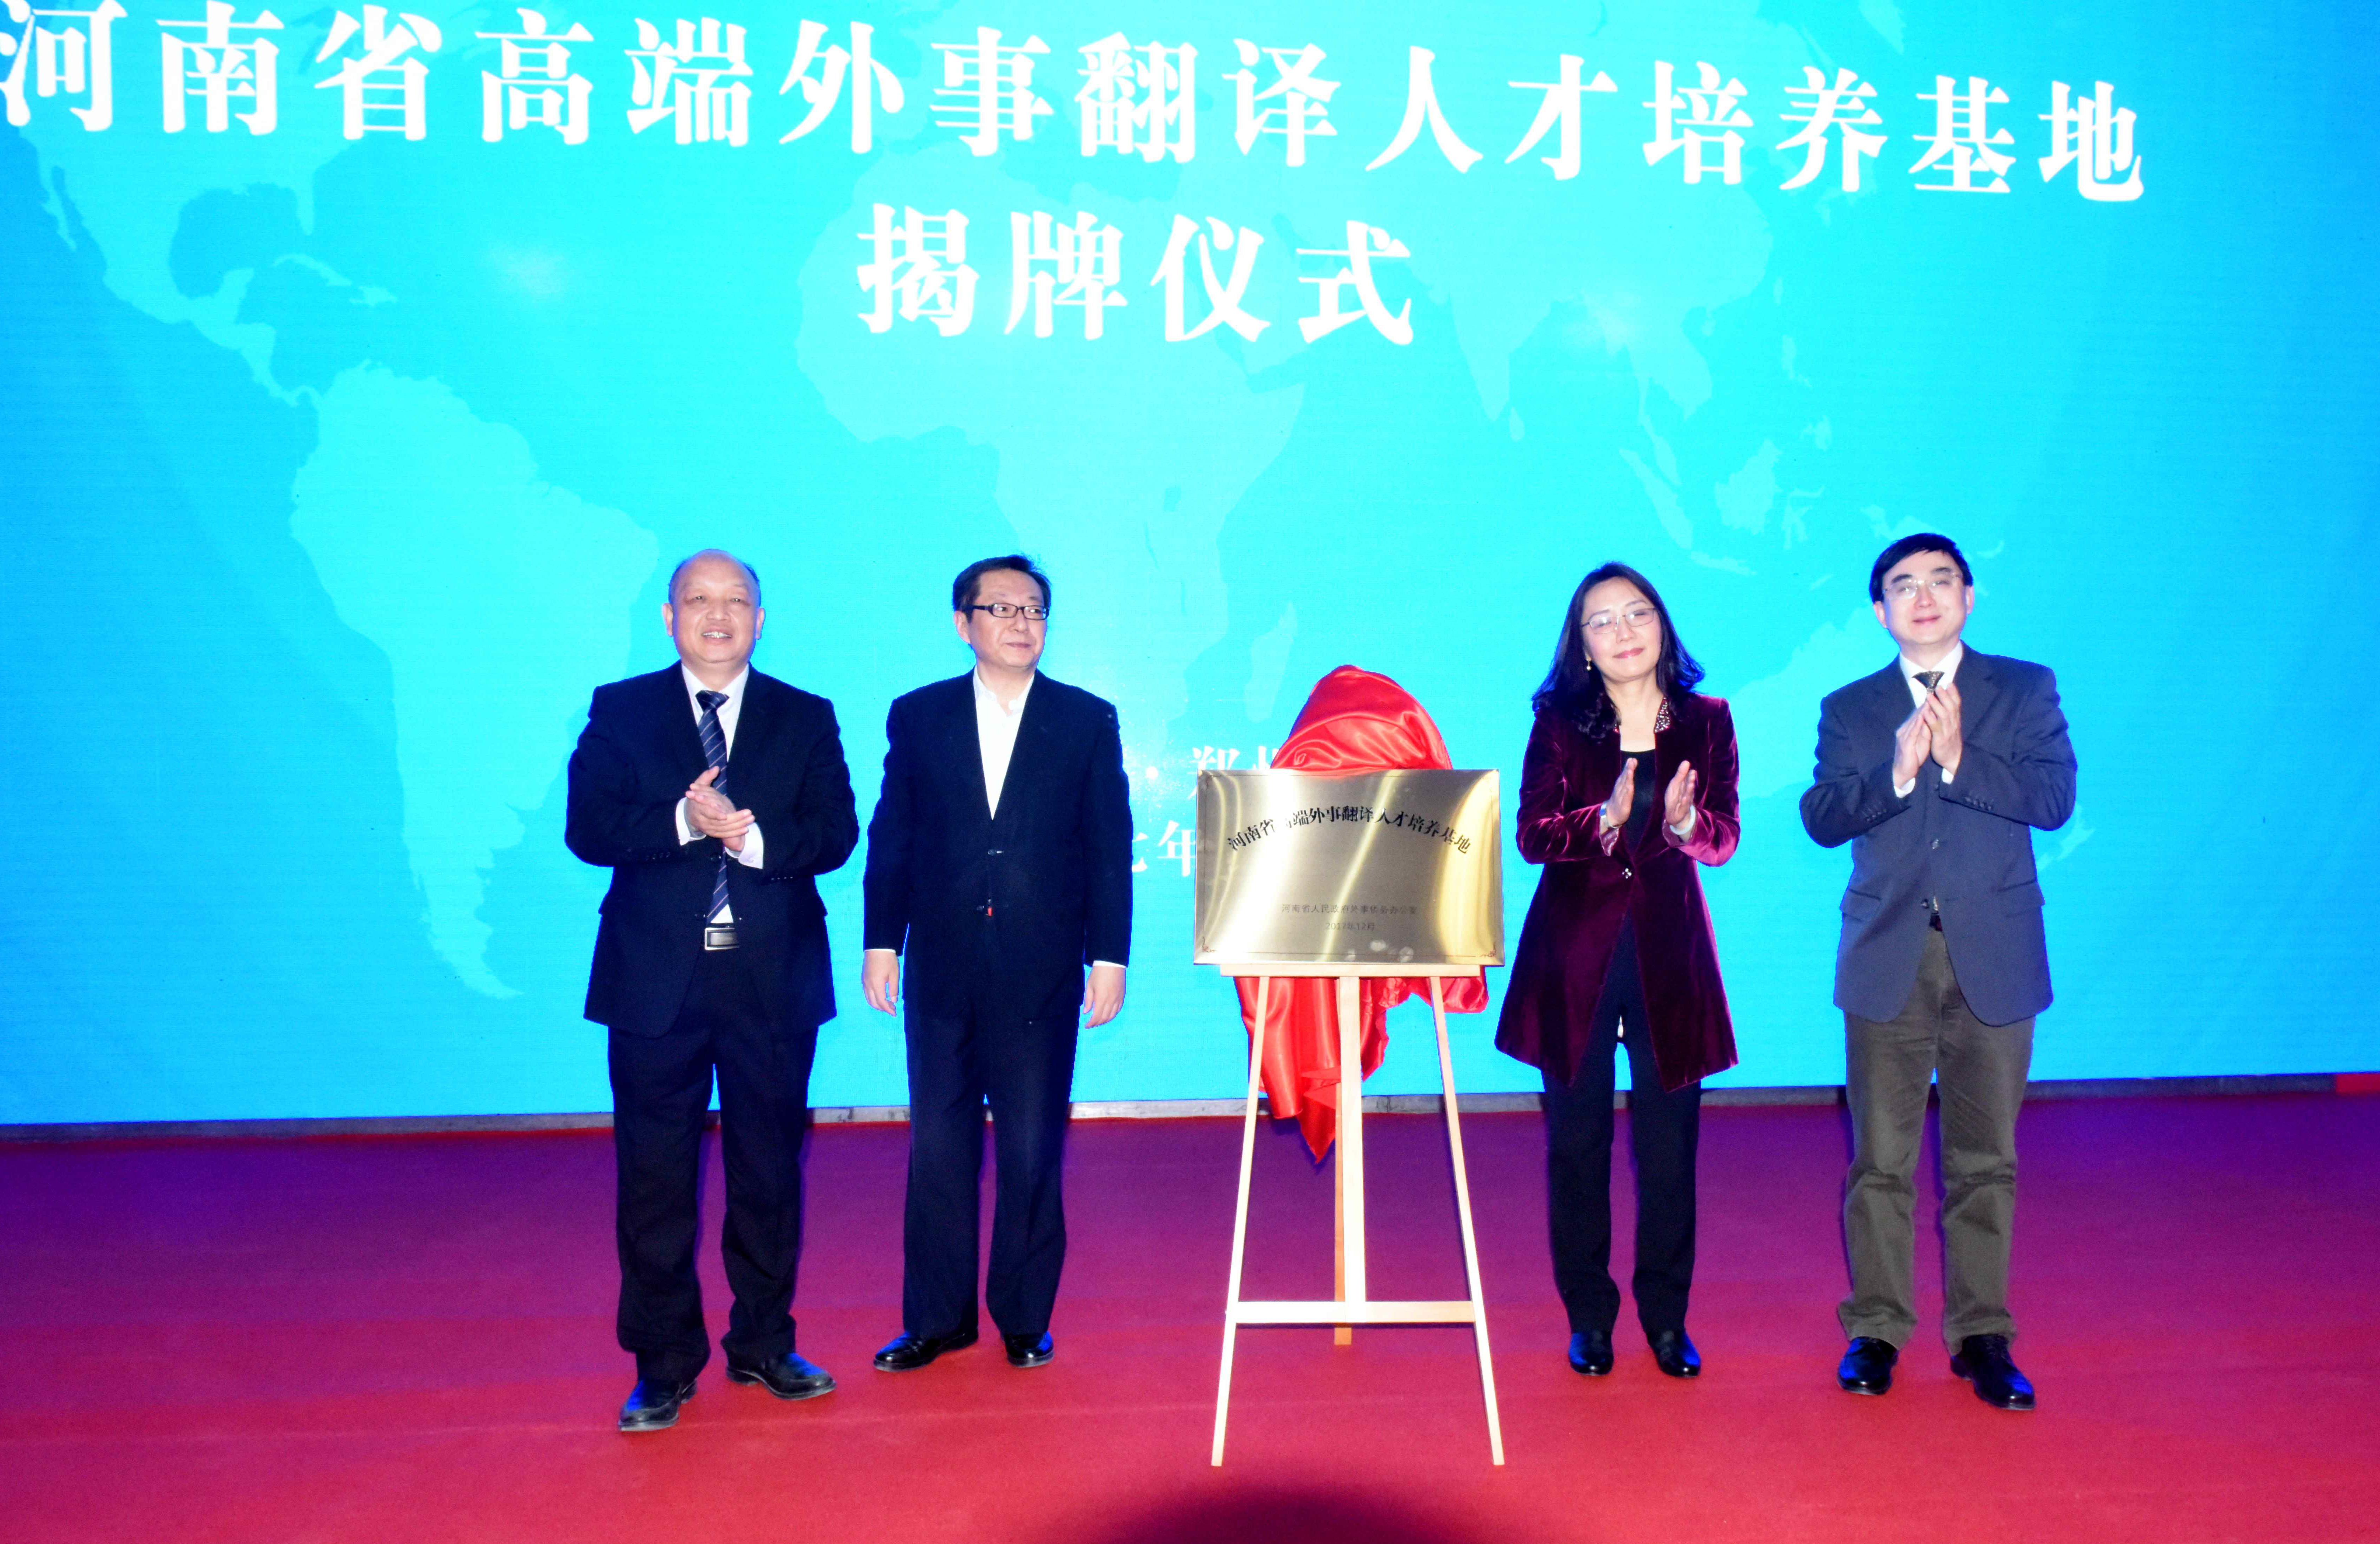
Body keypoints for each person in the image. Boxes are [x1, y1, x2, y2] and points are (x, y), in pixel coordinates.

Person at [564, 549, 858, 1433]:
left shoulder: (806, 715)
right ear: (669, 617)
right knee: (654, 1181)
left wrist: (751, 840)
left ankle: (765, 1342)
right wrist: (684, 821)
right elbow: (588, 828)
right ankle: (661, 1364)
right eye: (699, 599)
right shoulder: (621, 709)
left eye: (737, 601)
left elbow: (836, 833)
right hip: (655, 979)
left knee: (768, 1174)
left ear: (760, 619)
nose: (718, 615)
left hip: (771, 978)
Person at [1801, 533, 2075, 1411]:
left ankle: (1982, 1333)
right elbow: (1823, 817)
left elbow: (2054, 799)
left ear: (1969, 597)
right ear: (1880, 611)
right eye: (1903, 586)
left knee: (1985, 1158)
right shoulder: (1851, 707)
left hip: (1996, 951)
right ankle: (1877, 1327)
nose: (1923, 597)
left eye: (1941, 581)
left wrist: (1959, 760)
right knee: (1879, 1159)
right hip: (1889, 954)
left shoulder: (2023, 689)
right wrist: (1896, 773)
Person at [861, 555, 1133, 1373]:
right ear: (963, 623)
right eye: (1003, 608)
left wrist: (1109, 955)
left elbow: (1107, 848)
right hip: (942, 964)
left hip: (1040, 966)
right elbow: (894, 836)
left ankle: (1022, 1314)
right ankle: (936, 1320)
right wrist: (882, 940)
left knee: (1030, 1148)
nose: (1022, 623)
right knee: (939, 1147)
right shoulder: (920, 715)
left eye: (1035, 609)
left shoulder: (1085, 720)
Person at [1496, 562, 1741, 1381]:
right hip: (1575, 959)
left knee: (1671, 1152)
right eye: (1602, 620)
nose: (1623, 630)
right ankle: (1590, 1317)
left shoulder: (1708, 720)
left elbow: (1724, 838)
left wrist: (1687, 822)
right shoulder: (1560, 723)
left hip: (1672, 959)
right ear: (1582, 645)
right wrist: (1600, 819)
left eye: (1638, 613)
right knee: (1579, 1145)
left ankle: (1668, 1320)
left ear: (1662, 626)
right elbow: (1533, 834)